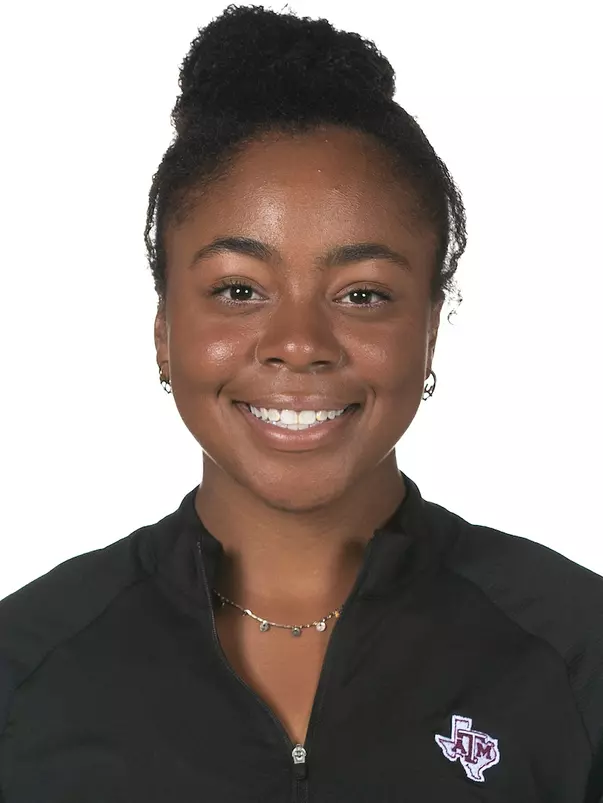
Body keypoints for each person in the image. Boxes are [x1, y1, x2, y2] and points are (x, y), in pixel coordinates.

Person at [0, 4, 601, 801]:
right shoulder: (26, 670)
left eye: (361, 293)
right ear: (163, 329)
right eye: (237, 288)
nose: (299, 341)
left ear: (428, 327)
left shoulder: (575, 648)